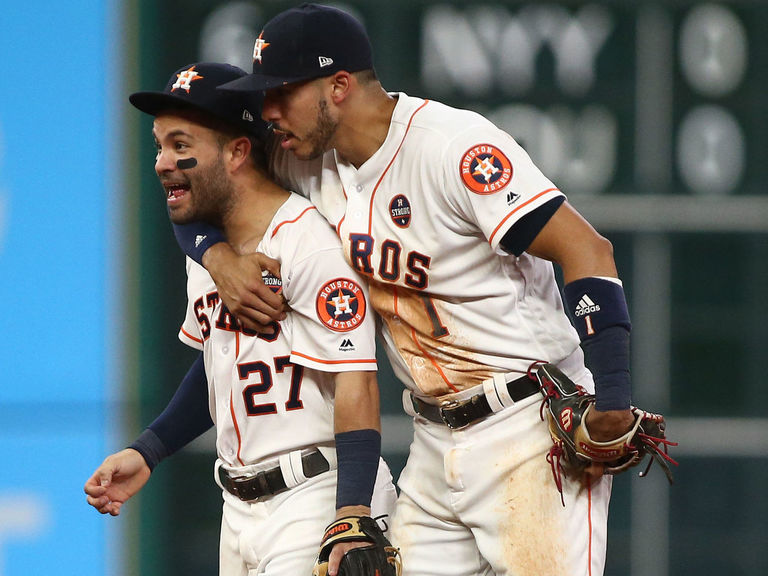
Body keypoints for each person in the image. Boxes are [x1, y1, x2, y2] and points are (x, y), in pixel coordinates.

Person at [175, 4, 637, 575]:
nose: (267, 113)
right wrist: (215, 257)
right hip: (432, 439)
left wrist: (614, 395)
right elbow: (198, 184)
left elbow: (587, 250)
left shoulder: (451, 146)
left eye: (281, 93)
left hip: (526, 428)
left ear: (338, 86)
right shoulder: (305, 160)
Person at [83, 61, 397, 576]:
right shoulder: (207, 254)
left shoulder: (306, 242)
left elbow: (356, 382)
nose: (163, 162)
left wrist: (352, 513)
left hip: (314, 496)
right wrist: (150, 449)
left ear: (237, 151)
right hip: (239, 510)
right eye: (159, 146)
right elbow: (219, 364)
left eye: (182, 146)